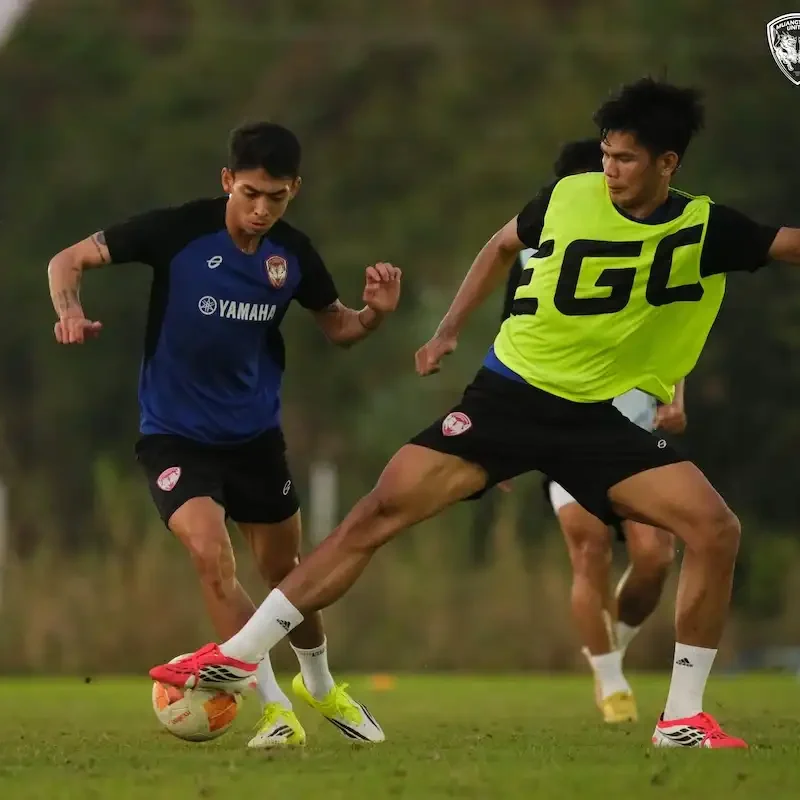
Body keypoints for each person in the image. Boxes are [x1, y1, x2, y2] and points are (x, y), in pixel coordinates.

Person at [151, 78, 798, 749]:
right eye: (605, 154)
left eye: (625, 158)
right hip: (509, 400)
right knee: (376, 514)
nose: (608, 169)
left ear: (669, 163)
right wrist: (448, 330)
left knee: (716, 530)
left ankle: (682, 719)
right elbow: (498, 246)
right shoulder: (567, 195)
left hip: (595, 421)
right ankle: (236, 656)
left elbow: (786, 245)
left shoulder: (707, 227)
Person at [47, 121, 400, 748]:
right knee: (210, 556)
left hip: (255, 439)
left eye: (277, 197)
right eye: (250, 194)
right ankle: (272, 713)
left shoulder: (292, 254)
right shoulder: (178, 231)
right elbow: (66, 258)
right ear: (226, 181)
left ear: (295, 190)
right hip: (174, 435)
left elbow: (337, 326)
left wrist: (373, 314)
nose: (262, 210)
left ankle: (318, 687)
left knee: (287, 571)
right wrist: (69, 311)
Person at [502, 137, 681, 724]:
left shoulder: (651, 244)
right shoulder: (536, 257)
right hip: (565, 425)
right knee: (590, 548)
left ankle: (614, 647)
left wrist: (675, 393)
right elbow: (515, 343)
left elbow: (674, 323)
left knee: (657, 554)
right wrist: (501, 440)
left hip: (632, 425)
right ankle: (612, 687)